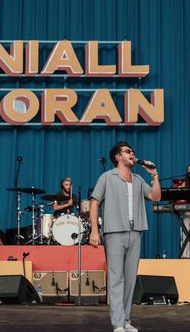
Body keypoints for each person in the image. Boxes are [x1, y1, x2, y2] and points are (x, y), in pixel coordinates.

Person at [89, 141, 161, 332]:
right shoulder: (107, 177)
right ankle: (118, 323)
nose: (132, 153)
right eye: (128, 151)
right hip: (114, 232)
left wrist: (154, 176)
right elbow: (94, 202)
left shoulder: (138, 179)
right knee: (116, 278)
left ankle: (126, 320)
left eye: (133, 151)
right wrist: (94, 230)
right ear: (117, 157)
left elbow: (155, 197)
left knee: (130, 279)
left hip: (135, 232)